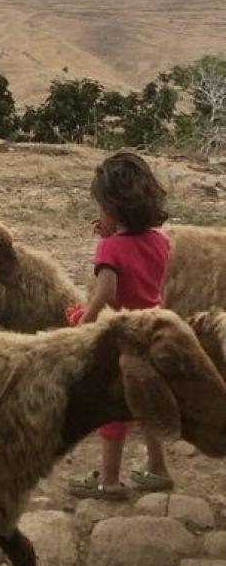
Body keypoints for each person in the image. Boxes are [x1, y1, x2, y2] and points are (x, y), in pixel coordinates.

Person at [68, 150, 172, 501]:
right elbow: (146, 272)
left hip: (122, 336)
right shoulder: (161, 241)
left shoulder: (108, 249)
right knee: (146, 407)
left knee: (113, 412)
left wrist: (85, 319)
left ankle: (109, 481)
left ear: (111, 209)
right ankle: (158, 470)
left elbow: (109, 292)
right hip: (153, 329)